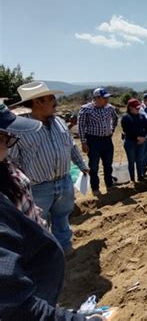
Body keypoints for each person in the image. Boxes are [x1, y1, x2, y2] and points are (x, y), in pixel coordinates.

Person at [0, 104, 104, 320]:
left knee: (61, 219)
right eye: (3, 139)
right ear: (36, 102)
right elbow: (17, 308)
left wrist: (29, 214)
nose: (8, 145)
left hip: (59, 184)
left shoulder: (56, 125)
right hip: (28, 285)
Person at [9, 82, 89, 254]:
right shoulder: (20, 128)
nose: (55, 101)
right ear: (38, 102)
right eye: (51, 98)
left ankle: (64, 250)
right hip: (38, 187)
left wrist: (82, 165)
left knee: (62, 218)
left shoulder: (59, 122)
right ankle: (46, 256)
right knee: (38, 224)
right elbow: (13, 160)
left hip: (64, 181)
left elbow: (71, 146)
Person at [78, 87, 118, 194]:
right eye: (104, 98)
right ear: (97, 98)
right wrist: (83, 142)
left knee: (108, 164)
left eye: (107, 98)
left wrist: (112, 130)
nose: (107, 100)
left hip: (107, 139)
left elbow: (115, 119)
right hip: (93, 140)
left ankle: (109, 184)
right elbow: (81, 126)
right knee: (94, 166)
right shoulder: (86, 109)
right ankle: (95, 188)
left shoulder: (109, 108)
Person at [121, 98, 147, 182]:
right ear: (130, 107)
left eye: (138, 107)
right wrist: (137, 137)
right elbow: (127, 130)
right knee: (131, 161)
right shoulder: (126, 117)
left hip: (141, 142)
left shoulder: (142, 116)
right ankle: (132, 178)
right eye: (136, 108)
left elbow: (146, 128)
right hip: (130, 142)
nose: (138, 109)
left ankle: (140, 176)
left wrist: (143, 137)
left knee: (140, 160)